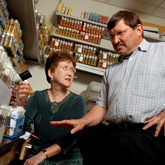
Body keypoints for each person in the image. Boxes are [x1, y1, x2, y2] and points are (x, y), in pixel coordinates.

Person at [50, 10, 165, 164]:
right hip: (113, 136)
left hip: (146, 137)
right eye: (112, 36)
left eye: (120, 33)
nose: (115, 40)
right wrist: (83, 122)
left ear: (138, 30)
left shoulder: (161, 52)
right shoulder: (111, 70)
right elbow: (102, 106)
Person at [16, 51, 86, 165]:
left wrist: (43, 154)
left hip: (69, 159)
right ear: (51, 72)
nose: (70, 73)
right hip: (38, 158)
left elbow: (72, 138)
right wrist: (20, 105)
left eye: (72, 70)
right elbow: (22, 129)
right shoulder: (37, 97)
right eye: (65, 68)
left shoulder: (78, 101)